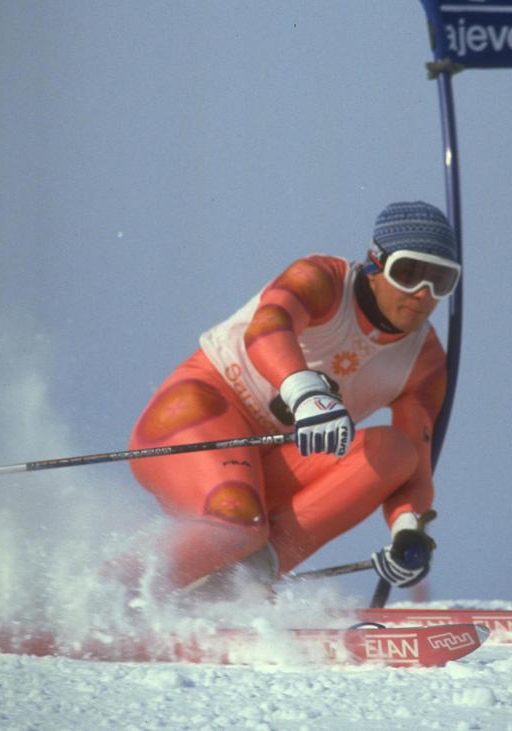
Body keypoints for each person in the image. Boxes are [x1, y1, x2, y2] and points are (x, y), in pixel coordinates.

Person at [128, 201, 461, 601]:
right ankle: (99, 593)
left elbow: (415, 471)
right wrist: (305, 393)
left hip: (268, 461)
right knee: (239, 523)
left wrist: (408, 531)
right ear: (375, 265)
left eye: (441, 281)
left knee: (394, 452)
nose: (423, 294)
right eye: (408, 274)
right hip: (197, 416)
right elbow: (267, 328)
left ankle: (233, 588)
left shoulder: (423, 360)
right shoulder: (322, 279)